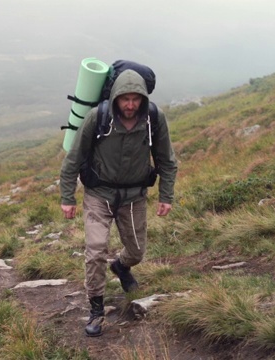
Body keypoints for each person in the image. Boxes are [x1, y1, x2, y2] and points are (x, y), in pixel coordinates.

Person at [59, 69, 178, 337]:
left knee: (136, 251)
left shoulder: (153, 119)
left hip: (134, 197)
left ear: (144, 99)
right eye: (125, 99)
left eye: (136, 99)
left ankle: (121, 266)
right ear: (115, 98)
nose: (130, 104)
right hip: (98, 195)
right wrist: (67, 197)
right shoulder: (98, 118)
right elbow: (73, 159)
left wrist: (166, 195)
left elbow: (167, 160)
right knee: (96, 248)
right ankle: (97, 310)